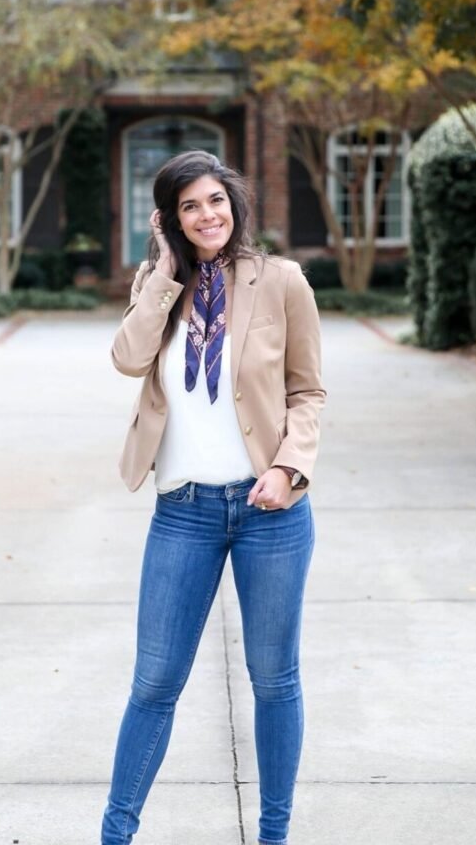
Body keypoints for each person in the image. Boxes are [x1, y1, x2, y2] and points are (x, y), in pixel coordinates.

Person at [102, 150, 326, 845]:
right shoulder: (157, 283)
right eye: (190, 206)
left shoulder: (282, 281)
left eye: (216, 200)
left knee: (274, 680)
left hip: (270, 514)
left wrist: (289, 467)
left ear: (235, 203)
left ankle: (273, 835)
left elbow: (307, 391)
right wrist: (165, 272)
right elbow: (127, 359)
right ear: (171, 218)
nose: (207, 215)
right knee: (153, 684)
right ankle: (114, 835)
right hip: (183, 512)